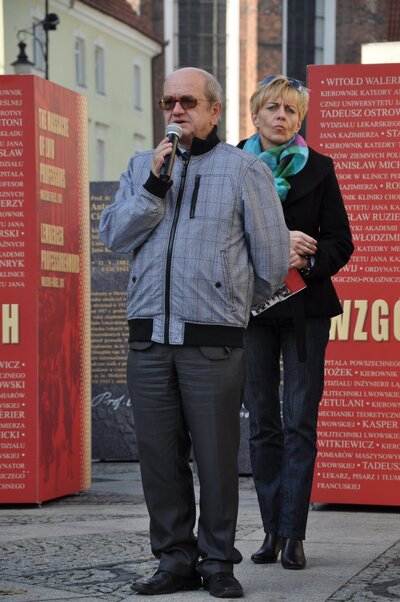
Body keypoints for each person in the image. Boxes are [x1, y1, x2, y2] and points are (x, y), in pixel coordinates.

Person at [99, 67, 289, 598]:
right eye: (169, 102)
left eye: (187, 101)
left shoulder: (244, 170)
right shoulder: (141, 166)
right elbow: (113, 236)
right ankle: (174, 560)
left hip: (213, 341)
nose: (176, 110)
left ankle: (218, 562)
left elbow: (273, 261)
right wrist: (153, 187)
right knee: (160, 460)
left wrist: (228, 303)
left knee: (216, 458)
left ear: (214, 110)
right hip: (149, 340)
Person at [238, 75, 354, 570]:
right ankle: (270, 531)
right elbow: (220, 236)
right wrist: (277, 241)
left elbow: (341, 241)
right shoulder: (234, 166)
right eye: (273, 108)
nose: (281, 116)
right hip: (250, 310)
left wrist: (307, 259)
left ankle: (294, 534)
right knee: (263, 423)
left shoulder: (320, 168)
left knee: (300, 422)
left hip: (305, 310)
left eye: (290, 110)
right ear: (255, 115)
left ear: (299, 119)